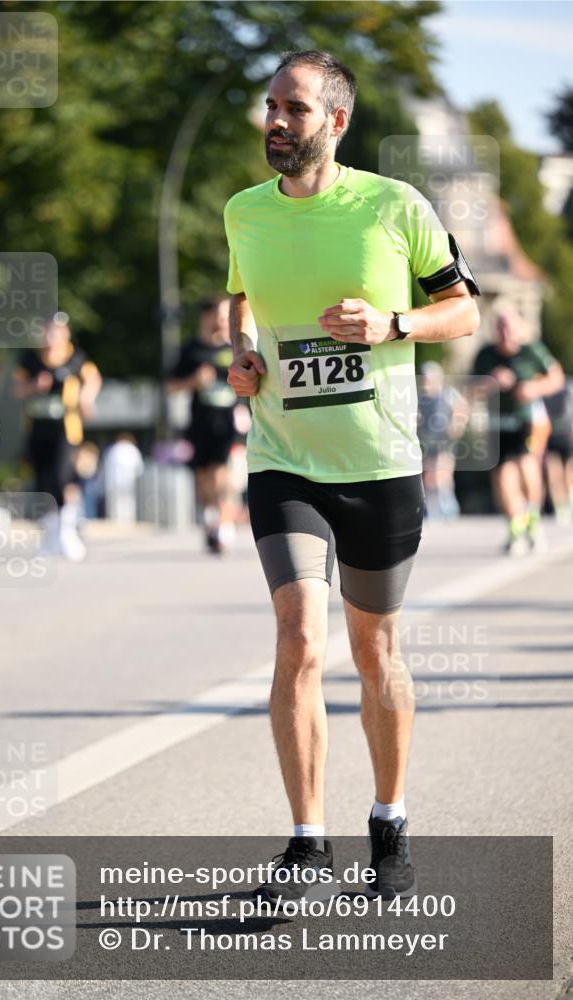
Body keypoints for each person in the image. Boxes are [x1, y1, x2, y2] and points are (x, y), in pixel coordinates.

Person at [223, 50, 481, 903]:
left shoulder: (393, 205)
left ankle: (389, 817)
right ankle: (305, 841)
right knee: (298, 638)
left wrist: (392, 321)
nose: (275, 121)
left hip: (378, 463)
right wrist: (241, 349)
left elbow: (464, 308)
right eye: (270, 106)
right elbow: (238, 298)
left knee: (375, 653)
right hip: (282, 457)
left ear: (335, 121)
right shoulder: (243, 212)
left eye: (293, 108)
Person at [472, 304, 564, 555]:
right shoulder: (485, 355)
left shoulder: (531, 350)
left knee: (526, 465)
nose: (505, 332)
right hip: (498, 422)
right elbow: (471, 387)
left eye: (509, 326)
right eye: (500, 327)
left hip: (528, 419)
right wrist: (489, 382)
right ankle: (515, 526)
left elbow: (556, 378)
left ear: (519, 327)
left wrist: (534, 388)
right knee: (503, 474)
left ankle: (532, 516)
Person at [13, 313, 101, 561]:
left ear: (66, 334)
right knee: (43, 480)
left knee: (63, 478)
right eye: (47, 332)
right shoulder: (31, 359)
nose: (51, 337)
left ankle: (66, 531)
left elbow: (93, 379)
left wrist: (86, 398)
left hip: (66, 429)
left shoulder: (75, 358)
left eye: (56, 332)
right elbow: (18, 389)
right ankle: (50, 536)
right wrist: (33, 387)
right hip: (38, 428)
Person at [167, 297, 238, 553]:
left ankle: (223, 525)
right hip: (199, 422)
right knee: (203, 475)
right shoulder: (191, 350)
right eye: (218, 315)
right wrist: (194, 382)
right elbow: (171, 387)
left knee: (221, 472)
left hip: (228, 422)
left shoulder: (236, 348)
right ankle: (211, 517)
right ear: (205, 317)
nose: (222, 320)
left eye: (225, 315)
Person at [417, 361, 468, 519]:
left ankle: (448, 506)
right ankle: (433, 508)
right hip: (427, 439)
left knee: (443, 472)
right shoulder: (421, 397)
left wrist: (456, 426)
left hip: (444, 439)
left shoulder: (448, 393)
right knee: (429, 476)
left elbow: (462, 408)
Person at [544, 378, 573, 524]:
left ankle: (564, 505)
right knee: (557, 472)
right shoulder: (566, 387)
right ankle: (563, 505)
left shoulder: (544, 389)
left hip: (558, 435)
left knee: (562, 472)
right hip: (556, 435)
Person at [103, 433, 144, 522]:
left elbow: (107, 466)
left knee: (116, 502)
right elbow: (139, 468)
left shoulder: (114, 449)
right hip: (130, 481)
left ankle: (117, 520)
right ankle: (128, 520)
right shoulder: (133, 450)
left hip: (115, 481)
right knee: (129, 501)